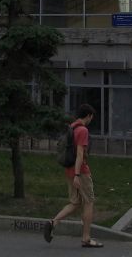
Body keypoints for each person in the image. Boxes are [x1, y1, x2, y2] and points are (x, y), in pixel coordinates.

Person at [45, 103, 102, 248]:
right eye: (91, 117)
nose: (91, 120)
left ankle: (53, 222)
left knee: (75, 203)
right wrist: (77, 174)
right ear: (88, 116)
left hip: (69, 170)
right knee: (89, 202)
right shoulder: (83, 130)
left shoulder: (72, 127)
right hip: (80, 172)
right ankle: (86, 239)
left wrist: (73, 174)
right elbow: (80, 154)